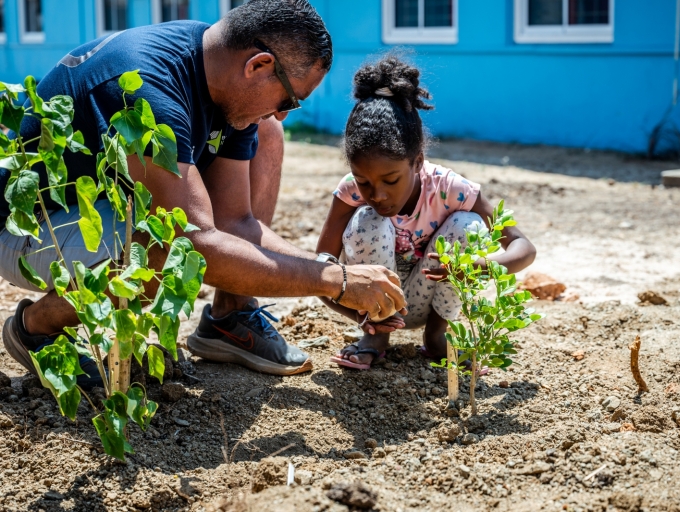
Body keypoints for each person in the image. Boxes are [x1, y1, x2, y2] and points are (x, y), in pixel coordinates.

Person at [0, 0, 407, 388]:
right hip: (35, 227)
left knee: (266, 133)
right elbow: (193, 245)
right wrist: (332, 280)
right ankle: (35, 328)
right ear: (259, 65)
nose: (283, 111)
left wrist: (333, 274)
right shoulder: (149, 87)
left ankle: (232, 315)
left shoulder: (218, 66)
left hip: (103, 210)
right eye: (289, 99)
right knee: (167, 250)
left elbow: (235, 223)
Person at [316, 56, 537, 370]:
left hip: (430, 300)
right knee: (366, 218)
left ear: (417, 162)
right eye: (365, 181)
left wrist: (478, 267)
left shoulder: (450, 189)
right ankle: (376, 339)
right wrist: (362, 317)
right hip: (374, 302)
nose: (377, 195)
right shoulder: (350, 192)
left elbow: (524, 248)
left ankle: (438, 338)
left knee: (468, 224)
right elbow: (320, 270)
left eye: (391, 180)